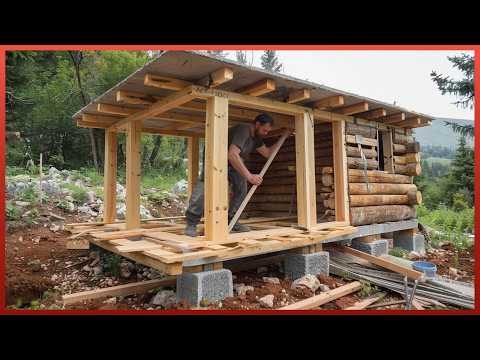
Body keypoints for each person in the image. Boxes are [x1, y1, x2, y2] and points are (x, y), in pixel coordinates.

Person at [184, 113, 291, 237]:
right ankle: (191, 223)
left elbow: (268, 153)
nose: (266, 133)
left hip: (233, 163)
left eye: (268, 131)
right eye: (264, 130)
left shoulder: (256, 138)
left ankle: (232, 220)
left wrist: (284, 136)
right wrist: (250, 176)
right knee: (205, 186)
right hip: (216, 158)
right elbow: (233, 154)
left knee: (241, 189)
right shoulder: (243, 130)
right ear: (257, 124)